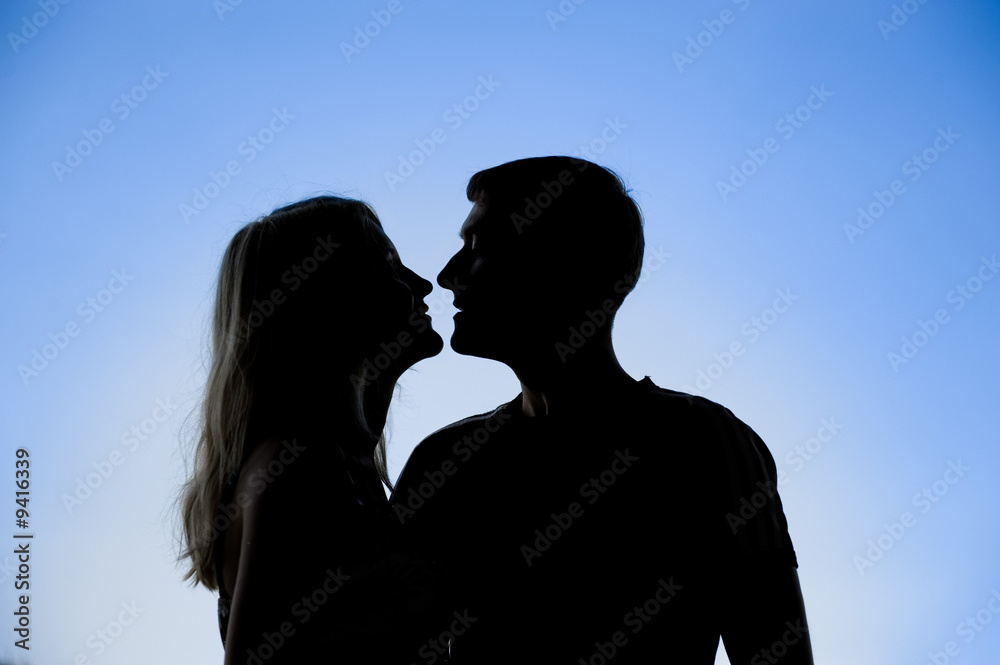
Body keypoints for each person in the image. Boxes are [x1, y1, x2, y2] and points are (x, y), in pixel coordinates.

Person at [390, 157, 814, 663]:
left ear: (562, 264)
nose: (447, 275)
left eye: (480, 249)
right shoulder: (441, 461)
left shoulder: (704, 442)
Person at [177, 196, 444, 664]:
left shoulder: (335, 458)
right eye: (389, 265)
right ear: (331, 297)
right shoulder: (298, 462)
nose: (423, 284)